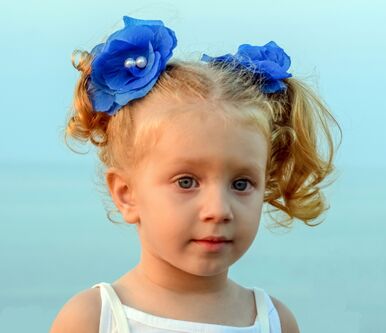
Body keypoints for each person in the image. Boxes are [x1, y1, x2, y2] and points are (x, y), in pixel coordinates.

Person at [50, 15, 341, 333]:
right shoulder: (95, 319)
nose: (218, 210)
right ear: (126, 193)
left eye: (241, 183)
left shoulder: (273, 321)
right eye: (186, 182)